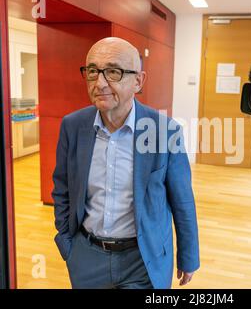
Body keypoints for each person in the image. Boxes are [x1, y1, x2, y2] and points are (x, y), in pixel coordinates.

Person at [52, 37, 200, 289]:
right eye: (92, 71)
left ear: (138, 81)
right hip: (87, 258)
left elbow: (182, 200)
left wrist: (188, 256)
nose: (99, 83)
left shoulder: (164, 131)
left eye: (112, 72)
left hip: (143, 259)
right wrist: (68, 243)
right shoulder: (72, 126)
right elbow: (63, 188)